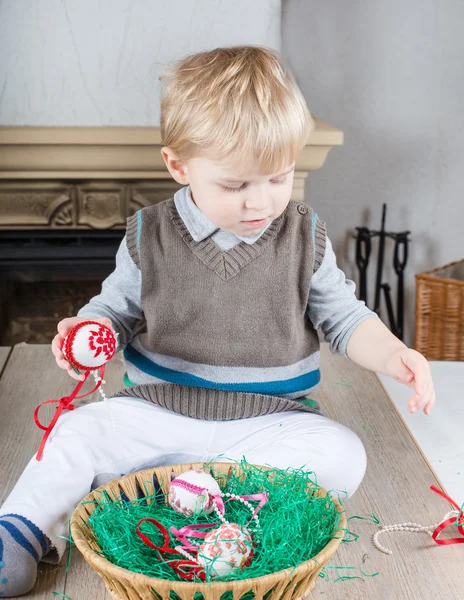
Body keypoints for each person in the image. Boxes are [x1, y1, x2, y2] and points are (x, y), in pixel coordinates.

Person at [0, 46, 435, 597]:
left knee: (343, 455)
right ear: (178, 166)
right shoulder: (148, 235)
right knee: (73, 433)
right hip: (157, 413)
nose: (261, 202)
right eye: (236, 186)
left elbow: (346, 319)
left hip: (268, 423)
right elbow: (116, 310)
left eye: (279, 179)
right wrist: (92, 334)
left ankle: (182, 499)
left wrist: (395, 354)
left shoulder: (305, 236)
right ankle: (21, 531)